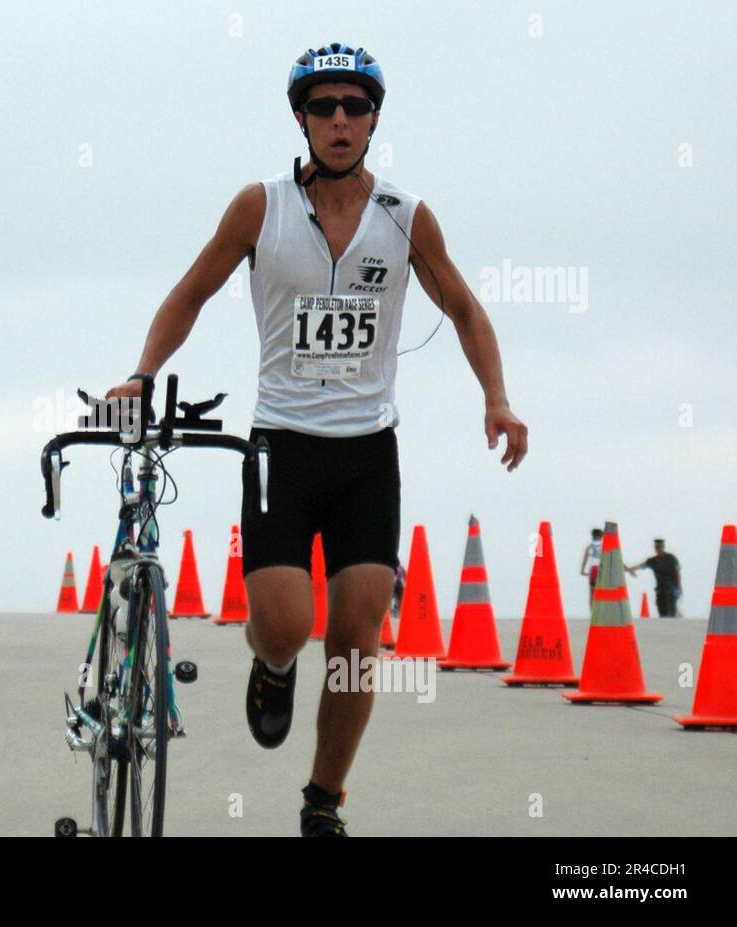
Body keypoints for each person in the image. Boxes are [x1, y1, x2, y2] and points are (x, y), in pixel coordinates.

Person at [105, 43, 527, 835]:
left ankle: (323, 799)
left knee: (358, 634)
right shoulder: (258, 207)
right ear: (300, 117)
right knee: (289, 625)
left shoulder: (404, 216)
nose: (340, 120)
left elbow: (466, 309)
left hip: (368, 450)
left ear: (374, 118)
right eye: (324, 106)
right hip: (282, 447)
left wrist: (497, 399)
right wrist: (140, 371)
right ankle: (270, 666)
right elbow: (190, 293)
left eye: (355, 107)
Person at [627, 539, 681, 618]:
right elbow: (641, 566)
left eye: (659, 547)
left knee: (671, 610)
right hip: (660, 589)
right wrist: (630, 569)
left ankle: (673, 621)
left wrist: (678, 587)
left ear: (663, 547)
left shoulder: (671, 558)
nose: (658, 549)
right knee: (662, 610)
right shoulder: (653, 560)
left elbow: (677, 572)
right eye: (656, 547)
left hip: (671, 588)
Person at [579, 527, 603, 609]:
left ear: (592, 536)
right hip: (603, 569)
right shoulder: (605, 546)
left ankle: (592, 613)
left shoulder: (590, 547)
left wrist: (582, 571)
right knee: (603, 592)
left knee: (592, 593)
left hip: (594, 570)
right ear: (602, 536)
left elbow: (584, 560)